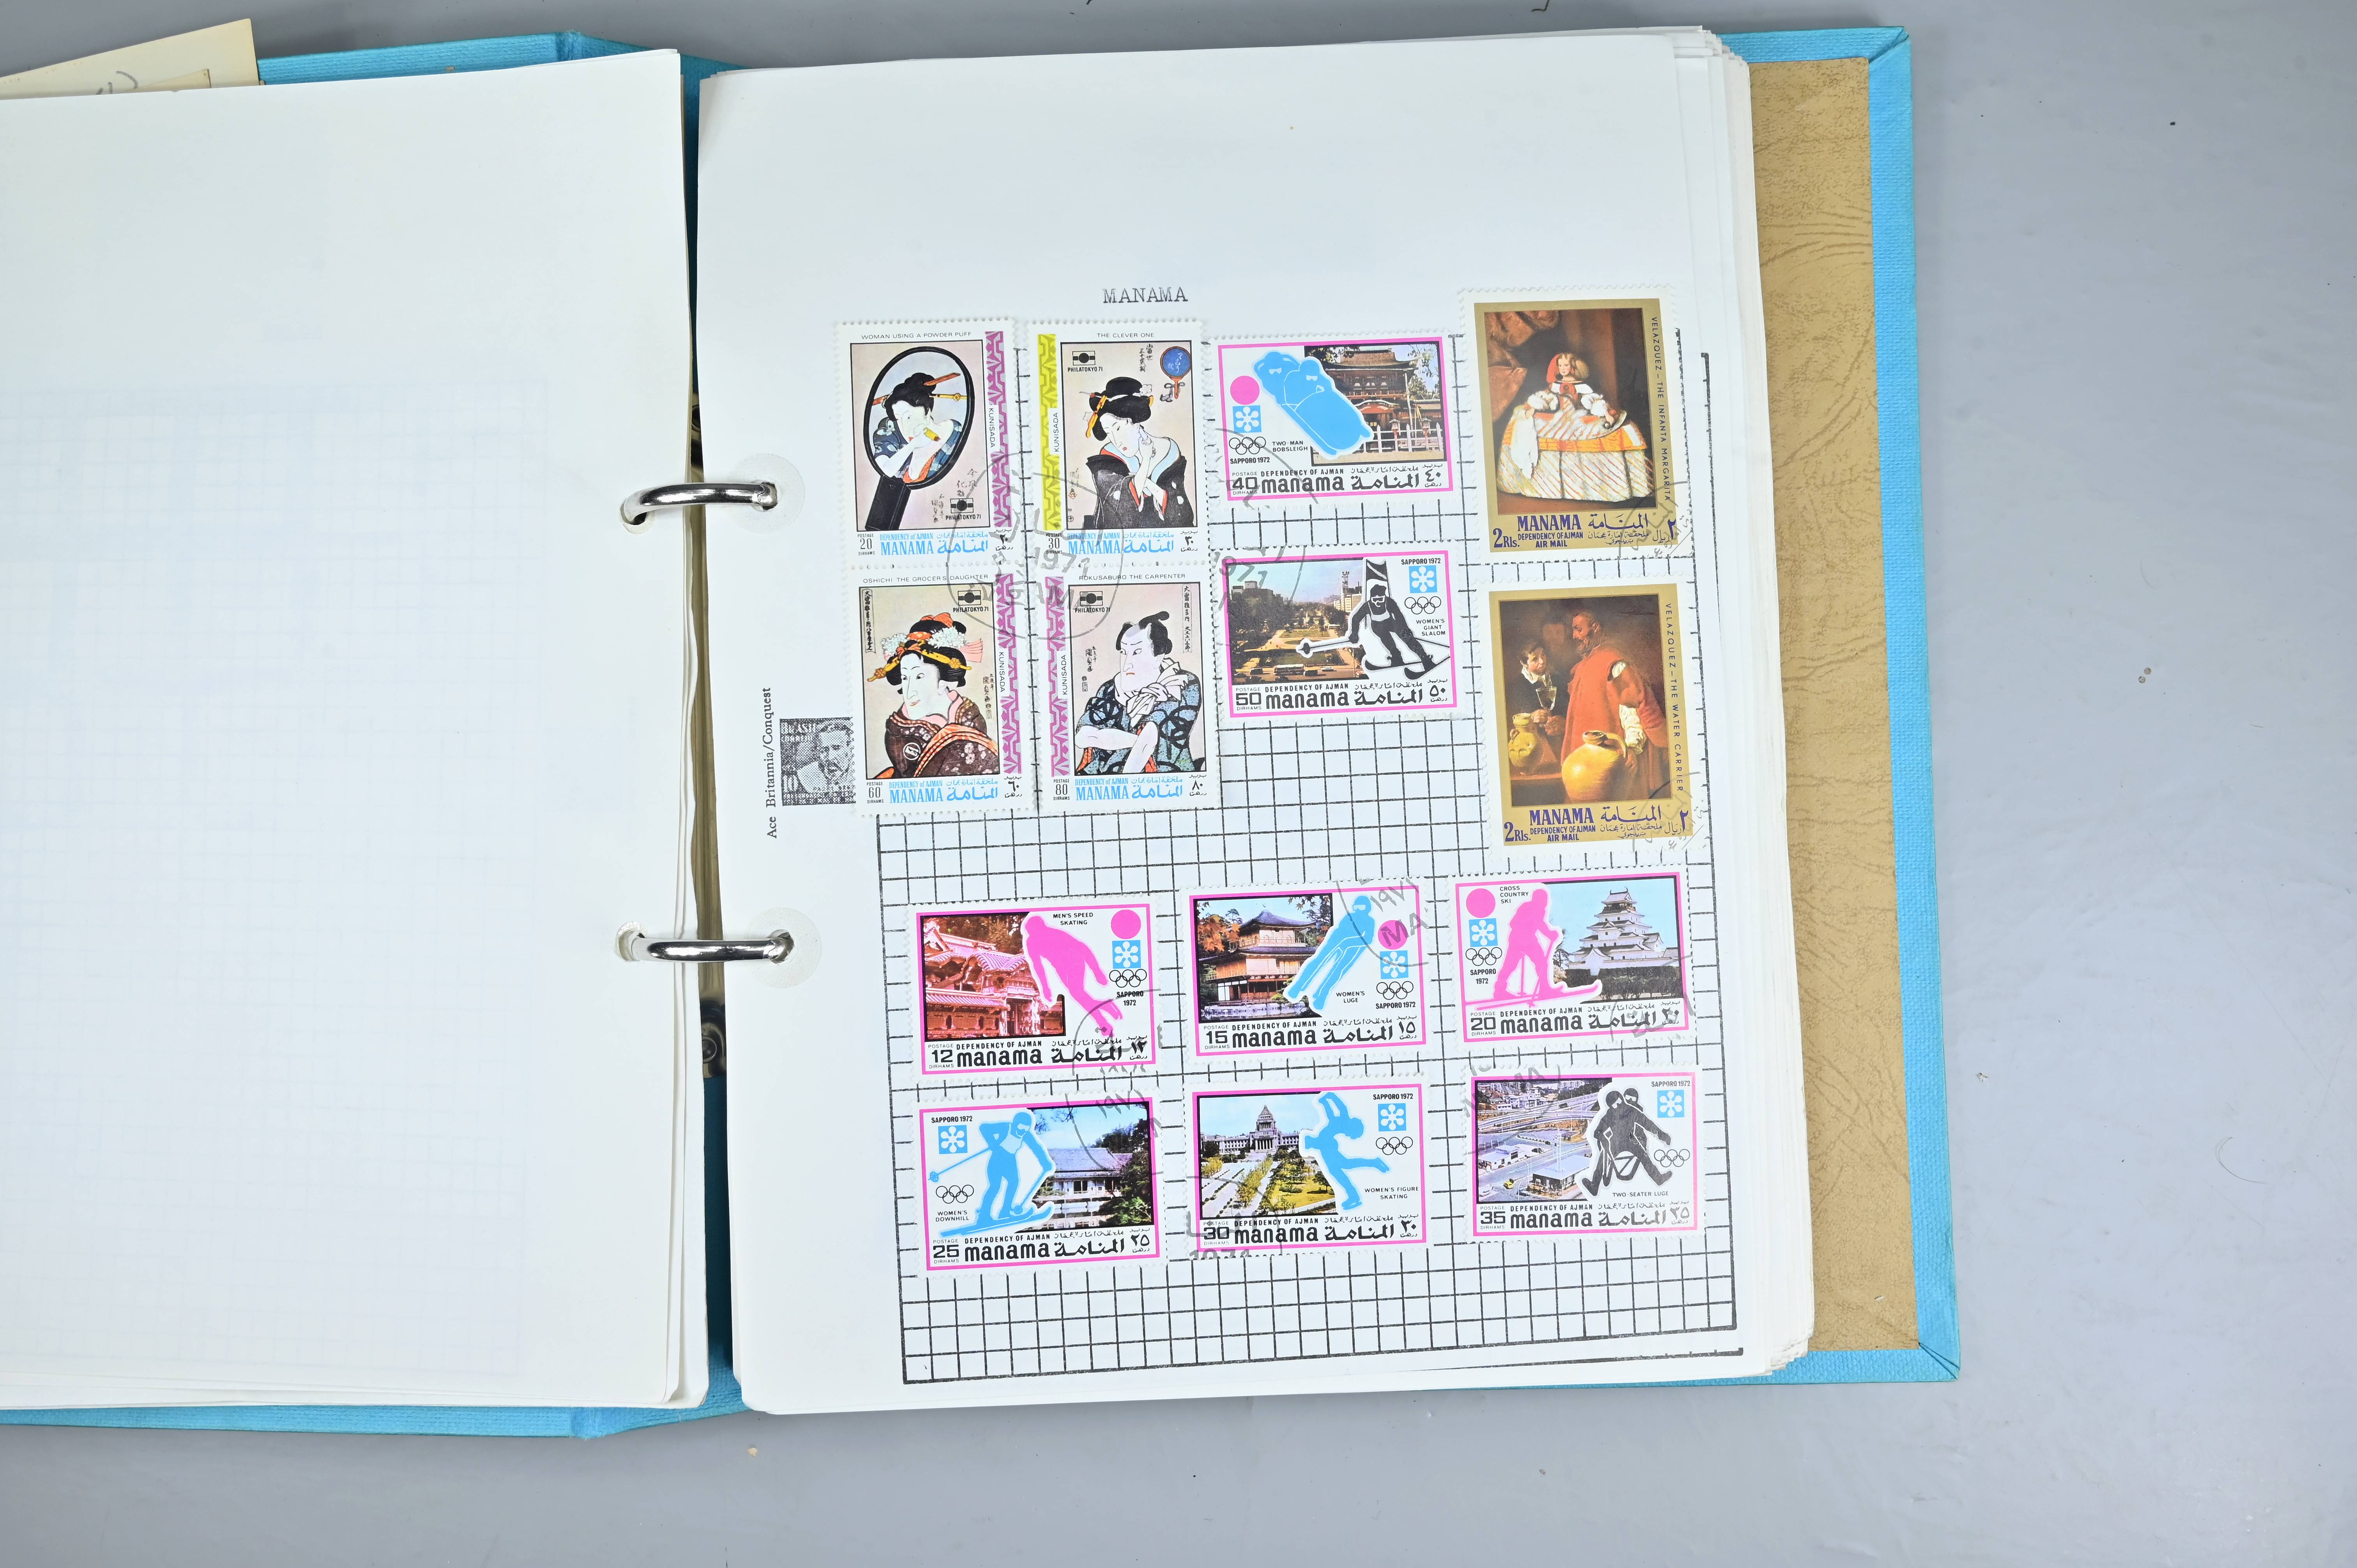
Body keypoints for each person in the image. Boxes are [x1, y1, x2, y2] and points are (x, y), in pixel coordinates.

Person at [1496, 351, 1652, 504]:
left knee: (1605, 428)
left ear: (1573, 367)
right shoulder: (1555, 386)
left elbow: (1594, 402)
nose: (1563, 369)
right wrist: (1534, 407)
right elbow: (1547, 400)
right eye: (1560, 366)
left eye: (1566, 365)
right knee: (1523, 420)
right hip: (1559, 417)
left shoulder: (1582, 386)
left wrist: (1606, 413)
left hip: (1577, 416)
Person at [867, 612, 1001, 778]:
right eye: (905, 678)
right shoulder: (899, 734)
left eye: (919, 677)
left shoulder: (970, 717)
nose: (909, 692)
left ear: (943, 683)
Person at [1559, 606, 1671, 800]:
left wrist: (1631, 748)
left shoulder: (1615, 663)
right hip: (1585, 766)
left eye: (1579, 630)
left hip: (1613, 767)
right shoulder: (1583, 666)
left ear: (1595, 628)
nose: (1575, 636)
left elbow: (1632, 711)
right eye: (1574, 631)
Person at [1073, 610, 1203, 775]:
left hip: (1163, 779)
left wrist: (1112, 739)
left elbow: (1148, 742)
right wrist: (1135, 740)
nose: (1127, 664)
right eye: (1124, 652)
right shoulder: (1110, 689)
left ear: (1159, 656)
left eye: (1136, 652)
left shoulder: (1180, 684)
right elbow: (1083, 737)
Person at [1081, 376, 1193, 529]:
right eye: (1108, 433)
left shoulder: (1169, 453)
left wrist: (1150, 485)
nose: (1117, 441)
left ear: (1136, 422)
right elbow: (1118, 516)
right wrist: (1146, 461)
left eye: (1118, 428)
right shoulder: (1108, 461)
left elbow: (1182, 515)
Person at [864, 367, 967, 531]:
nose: (906, 427)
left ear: (927, 412)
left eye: (909, 416)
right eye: (899, 419)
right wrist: (913, 445)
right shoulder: (909, 445)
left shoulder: (953, 433)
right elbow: (886, 471)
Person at [792, 722, 855, 796]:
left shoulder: (858, 773)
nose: (830, 758)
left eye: (837, 748)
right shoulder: (806, 776)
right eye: (824, 750)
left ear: (849, 749)